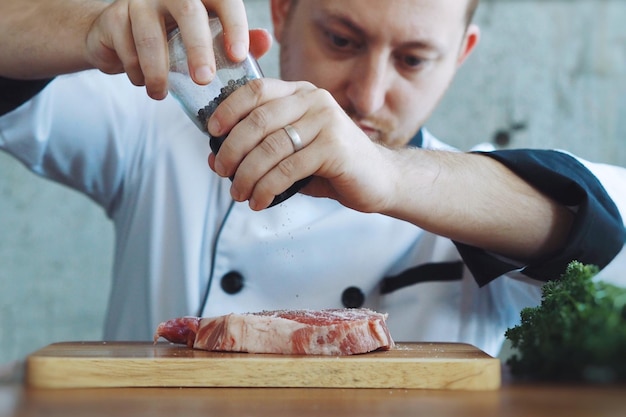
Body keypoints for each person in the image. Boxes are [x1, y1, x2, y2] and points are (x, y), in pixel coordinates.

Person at [0, 0, 624, 357]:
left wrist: (391, 177)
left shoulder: (473, 196)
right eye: (342, 39)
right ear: (283, 12)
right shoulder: (154, 132)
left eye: (413, 59)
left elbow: (600, 225)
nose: (368, 92)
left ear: (460, 54)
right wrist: (79, 27)